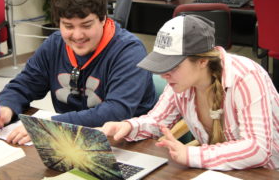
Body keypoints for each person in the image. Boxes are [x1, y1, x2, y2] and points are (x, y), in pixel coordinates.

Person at [0, 0, 157, 145]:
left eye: (86, 25)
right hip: (69, 141)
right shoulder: (54, 44)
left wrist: (49, 125)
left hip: (129, 143)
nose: (77, 35)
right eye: (68, 26)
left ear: (103, 19)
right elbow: (23, 85)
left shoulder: (129, 51)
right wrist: (6, 107)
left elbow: (115, 111)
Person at [101, 14, 279, 171]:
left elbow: (258, 148)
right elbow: (157, 121)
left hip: (268, 172)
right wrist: (128, 127)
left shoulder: (246, 77)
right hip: (221, 171)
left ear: (202, 61)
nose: (164, 75)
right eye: (161, 65)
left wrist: (191, 155)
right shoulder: (180, 81)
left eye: (172, 66)